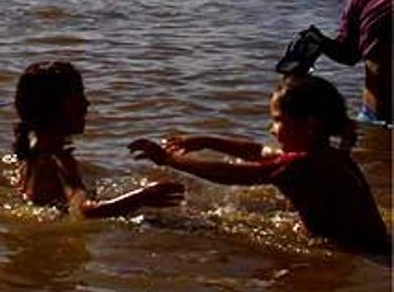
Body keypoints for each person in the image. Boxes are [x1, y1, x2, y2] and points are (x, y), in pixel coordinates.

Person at [130, 76, 390, 254]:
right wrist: (206, 140)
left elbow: (229, 174)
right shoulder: (326, 154)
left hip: (366, 252)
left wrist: (168, 160)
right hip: (377, 245)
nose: (272, 129)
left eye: (278, 120)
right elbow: (256, 151)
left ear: (310, 123)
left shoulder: (303, 165)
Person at [13, 62, 183, 218]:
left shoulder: (32, 151)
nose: (87, 103)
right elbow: (84, 212)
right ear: (54, 107)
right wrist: (142, 197)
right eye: (78, 96)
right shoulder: (57, 160)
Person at [311, 0, 392, 123]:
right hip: (375, 116)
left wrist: (318, 42)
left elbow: (348, 55)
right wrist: (318, 42)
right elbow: (349, 54)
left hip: (376, 115)